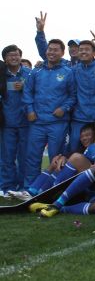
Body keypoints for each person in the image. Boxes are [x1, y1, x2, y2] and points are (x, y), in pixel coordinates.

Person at [23, 38, 76, 188]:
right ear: (46, 51)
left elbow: (73, 96)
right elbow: (27, 92)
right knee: (32, 157)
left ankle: (50, 188)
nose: (51, 52)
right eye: (49, 49)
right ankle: (29, 188)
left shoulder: (68, 72)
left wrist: (63, 108)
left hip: (57, 123)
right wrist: (30, 110)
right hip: (37, 122)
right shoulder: (36, 71)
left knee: (56, 157)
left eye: (55, 50)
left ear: (62, 53)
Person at [1, 45, 31, 192]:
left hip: (26, 122)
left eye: (16, 55)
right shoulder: (1, 74)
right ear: (5, 59)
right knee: (7, 158)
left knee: (25, 157)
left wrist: (25, 86)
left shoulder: (29, 74)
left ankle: (23, 186)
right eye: (10, 55)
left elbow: (38, 92)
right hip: (7, 123)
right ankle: (7, 187)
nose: (14, 57)